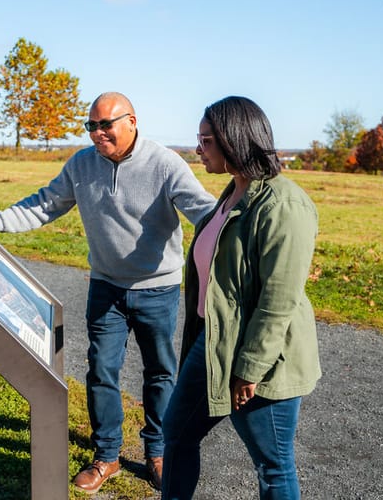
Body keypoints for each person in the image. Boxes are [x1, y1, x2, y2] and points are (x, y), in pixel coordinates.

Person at [0, 91, 216, 494]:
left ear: (132, 121)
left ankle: (158, 452)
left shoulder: (166, 164)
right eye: (91, 126)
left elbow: (205, 210)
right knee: (101, 371)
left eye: (106, 125)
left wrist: (244, 229)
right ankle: (107, 455)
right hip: (106, 289)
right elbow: (44, 204)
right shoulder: (81, 164)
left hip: (158, 290)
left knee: (161, 373)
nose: (98, 133)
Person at [160, 96, 321, 500]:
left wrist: (249, 368)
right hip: (213, 345)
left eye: (206, 140)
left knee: (272, 465)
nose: (198, 150)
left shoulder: (283, 204)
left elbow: (278, 300)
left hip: (261, 360)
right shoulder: (232, 192)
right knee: (177, 434)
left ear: (235, 140)